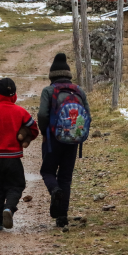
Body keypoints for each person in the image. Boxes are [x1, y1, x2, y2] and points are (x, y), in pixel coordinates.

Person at [38, 53, 90, 228]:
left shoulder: (49, 90)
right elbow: (87, 115)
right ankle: (62, 218)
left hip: (53, 140)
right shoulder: (79, 90)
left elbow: (42, 115)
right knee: (66, 177)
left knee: (47, 171)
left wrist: (44, 131)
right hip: (73, 139)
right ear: (68, 74)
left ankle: (54, 190)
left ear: (52, 75)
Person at [0, 78, 39, 231]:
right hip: (13, 159)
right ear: (13, 94)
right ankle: (9, 209)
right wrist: (24, 135)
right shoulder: (20, 111)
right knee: (16, 185)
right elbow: (34, 130)